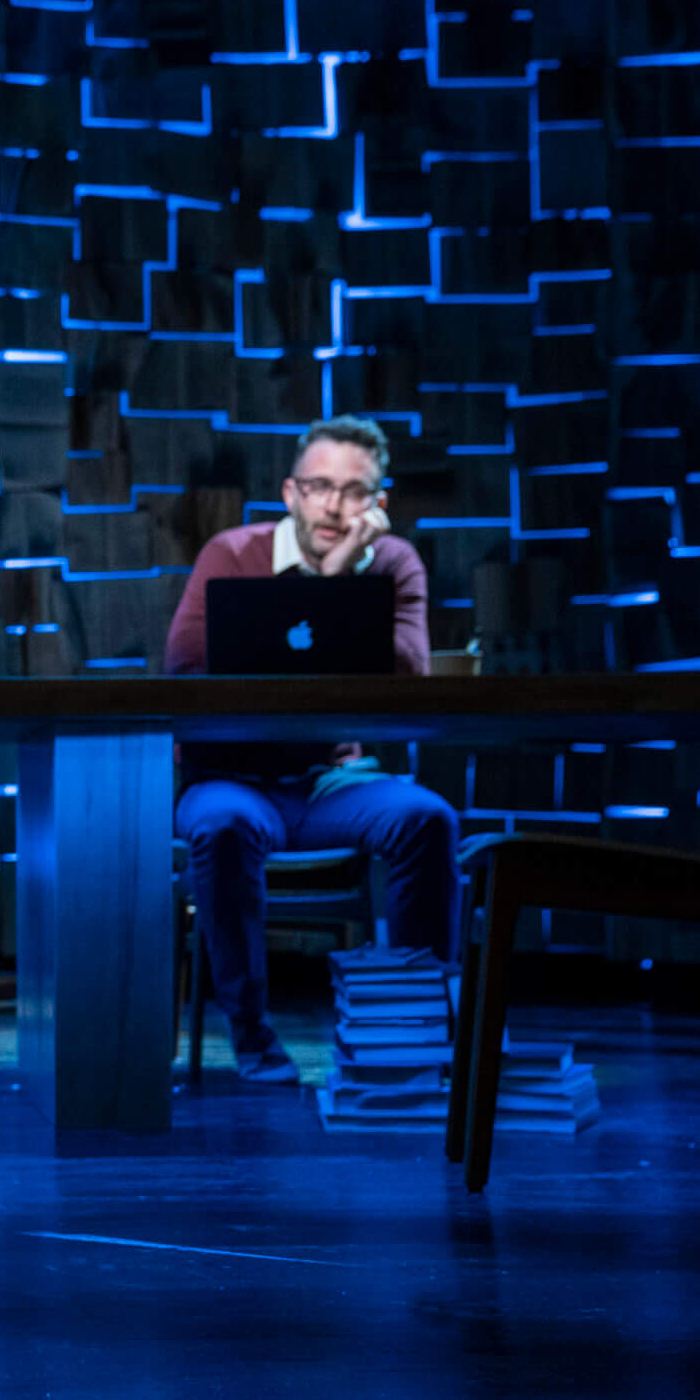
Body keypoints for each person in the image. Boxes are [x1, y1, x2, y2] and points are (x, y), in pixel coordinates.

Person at [164, 414, 459, 1084]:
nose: (333, 505)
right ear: (290, 492)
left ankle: (407, 1037)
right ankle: (252, 1036)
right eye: (319, 486)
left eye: (354, 491)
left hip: (333, 780)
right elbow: (184, 665)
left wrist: (341, 577)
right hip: (230, 778)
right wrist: (323, 589)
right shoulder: (231, 554)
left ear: (377, 503)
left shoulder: (391, 561)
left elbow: (409, 672)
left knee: (427, 818)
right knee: (220, 824)